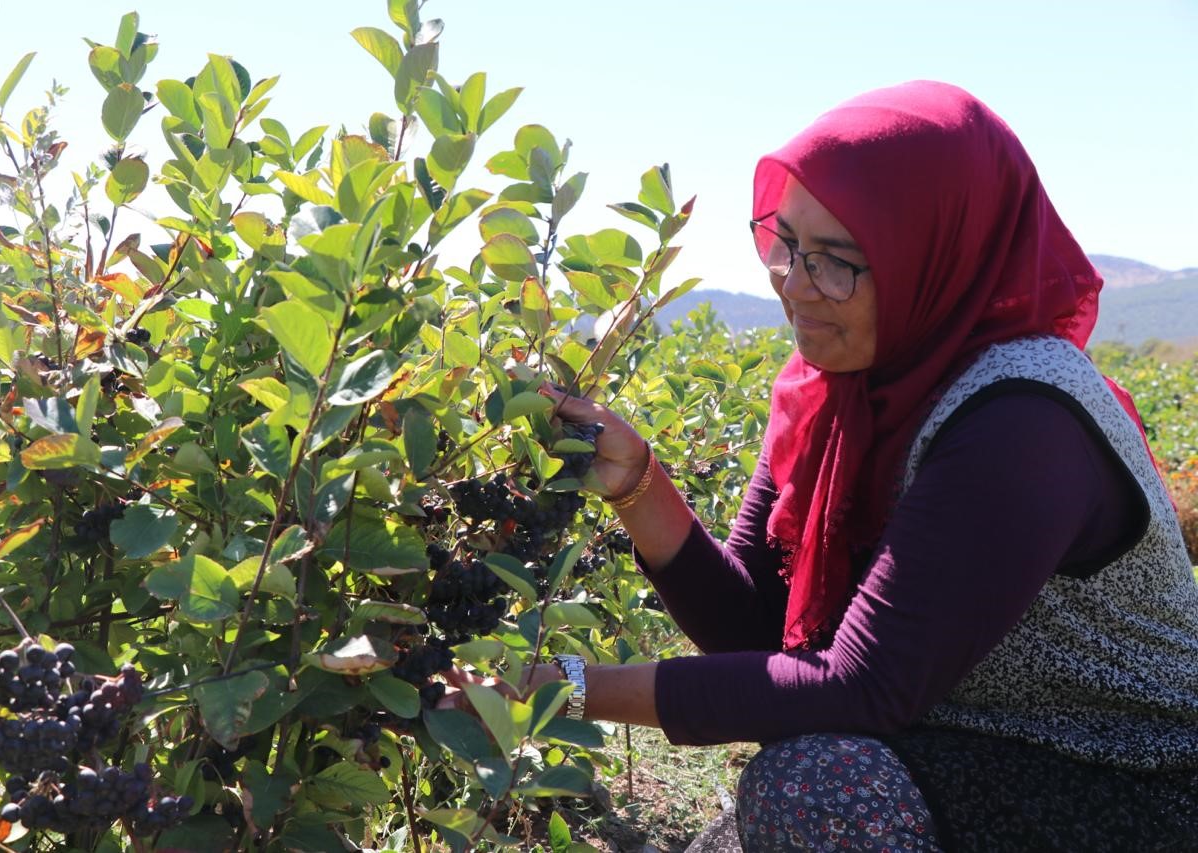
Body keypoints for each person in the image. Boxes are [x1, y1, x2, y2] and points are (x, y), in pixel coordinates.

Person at [444, 80, 1198, 851]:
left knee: (814, 790)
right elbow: (755, 629)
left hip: (1132, 786)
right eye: (787, 243)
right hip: (957, 748)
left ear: (933, 256)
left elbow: (861, 684)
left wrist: (563, 687)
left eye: (837, 262)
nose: (796, 285)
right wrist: (637, 485)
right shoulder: (835, 395)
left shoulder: (1022, 421)